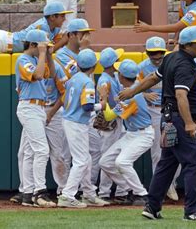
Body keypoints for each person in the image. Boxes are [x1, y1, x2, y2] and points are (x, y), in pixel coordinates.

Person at [119, 26, 196, 222]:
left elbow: (153, 77)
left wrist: (132, 91)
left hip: (168, 119)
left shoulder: (170, 58)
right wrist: (189, 123)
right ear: (188, 45)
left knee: (167, 164)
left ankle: (152, 207)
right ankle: (192, 211)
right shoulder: (184, 64)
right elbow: (180, 94)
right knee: (194, 163)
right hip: (179, 119)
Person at [43, 18, 95, 196]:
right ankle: (64, 190)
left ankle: (87, 191)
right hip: (68, 110)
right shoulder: (62, 56)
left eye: (87, 33)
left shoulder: (86, 53)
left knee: (88, 154)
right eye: (83, 33)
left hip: (85, 110)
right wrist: (86, 49)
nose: (86, 37)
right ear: (71, 35)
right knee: (64, 154)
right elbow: (77, 77)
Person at [58, 49, 109, 208]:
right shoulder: (87, 81)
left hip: (70, 119)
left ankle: (88, 194)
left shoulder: (74, 78)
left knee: (84, 158)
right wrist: (102, 105)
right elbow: (87, 106)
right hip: (76, 122)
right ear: (93, 67)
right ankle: (67, 195)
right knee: (81, 160)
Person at [99, 59, 154, 206]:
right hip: (132, 134)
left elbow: (109, 116)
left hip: (143, 135)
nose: (117, 75)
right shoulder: (132, 89)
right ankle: (130, 188)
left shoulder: (132, 95)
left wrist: (104, 98)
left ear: (122, 77)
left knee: (122, 162)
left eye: (119, 73)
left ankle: (142, 194)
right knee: (104, 162)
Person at [13, 29, 56, 207]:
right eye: (42, 46)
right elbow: (37, 75)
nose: (45, 49)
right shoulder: (23, 59)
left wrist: (49, 56)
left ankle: (27, 193)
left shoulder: (36, 59)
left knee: (29, 152)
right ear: (33, 45)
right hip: (29, 107)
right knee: (42, 150)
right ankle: (40, 192)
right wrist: (42, 53)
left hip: (38, 108)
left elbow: (50, 74)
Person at [138, 36, 179, 201]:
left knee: (177, 150)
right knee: (157, 152)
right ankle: (161, 190)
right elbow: (130, 87)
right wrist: (144, 94)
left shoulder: (172, 63)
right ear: (147, 52)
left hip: (171, 110)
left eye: (159, 53)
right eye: (153, 53)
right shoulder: (141, 67)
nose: (156, 57)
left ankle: (170, 183)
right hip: (153, 111)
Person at [96, 47, 127, 202]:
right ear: (112, 64)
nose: (119, 61)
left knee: (116, 156)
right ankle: (104, 192)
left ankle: (117, 192)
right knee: (107, 157)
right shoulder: (104, 80)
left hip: (116, 120)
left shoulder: (112, 76)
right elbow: (106, 103)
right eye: (117, 60)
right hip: (109, 122)